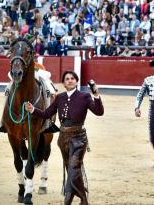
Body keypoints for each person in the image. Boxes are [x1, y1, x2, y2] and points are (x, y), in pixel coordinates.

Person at [25, 71, 104, 205]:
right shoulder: (60, 97)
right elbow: (47, 114)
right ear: (63, 83)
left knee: (73, 168)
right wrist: (33, 110)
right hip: (63, 139)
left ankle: (67, 202)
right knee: (72, 171)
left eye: (72, 78)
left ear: (76, 81)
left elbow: (99, 112)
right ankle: (84, 200)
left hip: (79, 138)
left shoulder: (84, 96)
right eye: (67, 79)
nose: (70, 80)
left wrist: (96, 95)